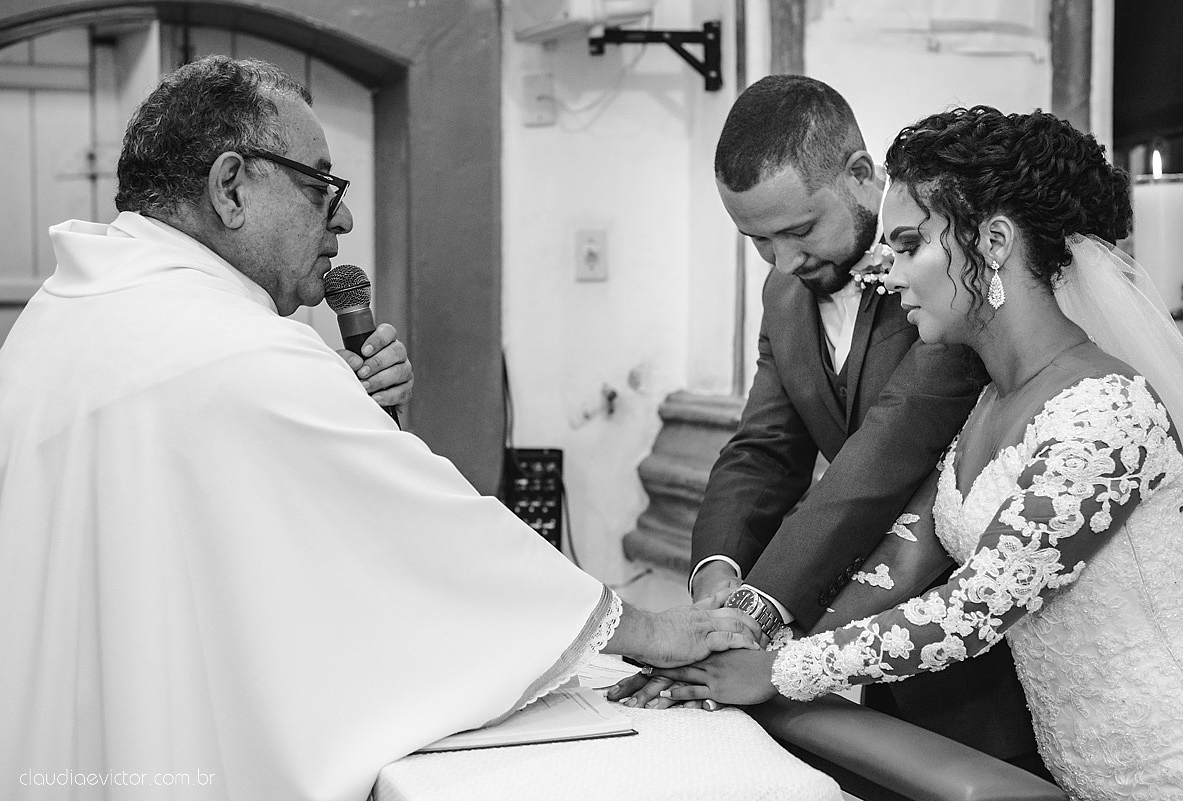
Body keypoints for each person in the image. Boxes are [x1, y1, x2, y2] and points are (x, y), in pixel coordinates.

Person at [0, 56, 764, 801]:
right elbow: (440, 545)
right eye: (320, 185)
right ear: (231, 187)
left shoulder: (59, 316)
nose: (343, 217)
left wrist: (357, 417)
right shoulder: (244, 353)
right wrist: (657, 631)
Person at [649, 106, 1183, 797]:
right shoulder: (989, 405)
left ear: (994, 242)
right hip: (1074, 765)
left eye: (908, 246)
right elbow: (906, 553)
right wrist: (744, 639)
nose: (890, 273)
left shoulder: (1106, 412)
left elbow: (973, 609)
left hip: (1169, 758)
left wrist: (777, 669)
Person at [617, 75, 1045, 774]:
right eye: (757, 240)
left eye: (798, 229)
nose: (784, 261)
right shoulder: (785, 293)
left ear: (860, 175)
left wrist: (753, 615)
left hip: (982, 677)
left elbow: (882, 453)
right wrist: (716, 585)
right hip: (855, 670)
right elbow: (761, 450)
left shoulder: (951, 282)